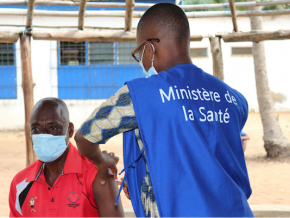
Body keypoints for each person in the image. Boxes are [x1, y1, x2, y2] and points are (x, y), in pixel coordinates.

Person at [74, 3, 253, 217]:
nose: (140, 59)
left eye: (139, 52)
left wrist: (101, 161)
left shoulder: (140, 95)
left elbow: (84, 137)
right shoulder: (233, 98)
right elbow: (206, 146)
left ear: (149, 48)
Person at [9, 98, 124, 217]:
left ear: (69, 130)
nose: (44, 136)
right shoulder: (21, 183)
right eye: (36, 129)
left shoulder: (97, 173)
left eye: (53, 128)